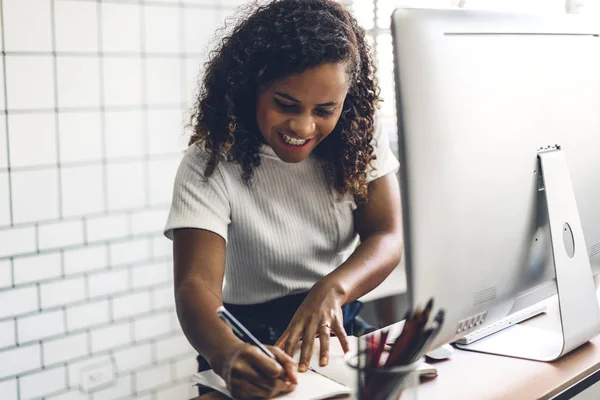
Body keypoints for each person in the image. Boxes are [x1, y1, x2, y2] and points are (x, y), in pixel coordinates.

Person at [164, 0, 403, 398]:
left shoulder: (359, 136)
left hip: (335, 327)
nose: (303, 126)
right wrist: (227, 356)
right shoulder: (211, 161)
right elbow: (194, 286)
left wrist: (332, 290)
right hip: (242, 338)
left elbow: (387, 235)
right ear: (252, 86)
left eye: (325, 110)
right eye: (285, 105)